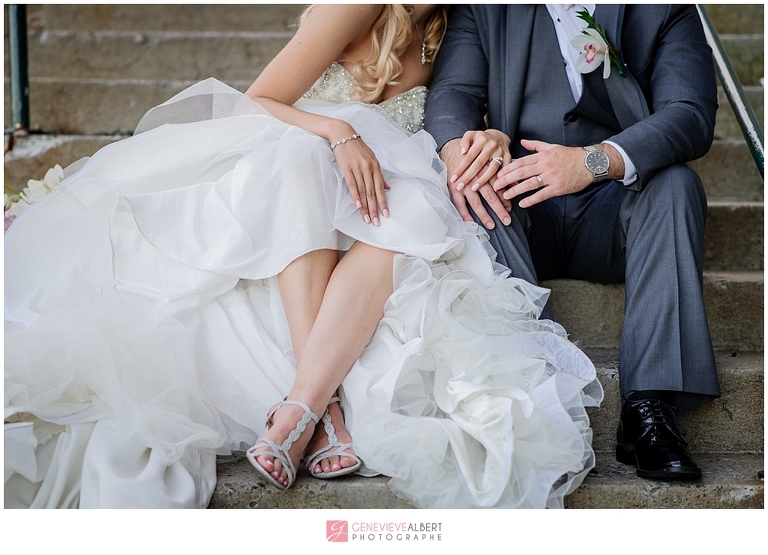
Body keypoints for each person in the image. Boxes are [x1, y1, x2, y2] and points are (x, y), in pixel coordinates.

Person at [4, 4, 601, 509]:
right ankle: (325, 407)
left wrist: (492, 133)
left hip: (385, 181)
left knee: (413, 209)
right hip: (304, 153)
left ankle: (303, 407)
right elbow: (253, 102)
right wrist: (337, 135)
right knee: (300, 164)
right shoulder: (357, 7)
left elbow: (462, 112)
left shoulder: (460, 23)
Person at [424, 4, 720, 480]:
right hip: (519, 197)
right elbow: (454, 91)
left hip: (616, 204)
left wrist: (595, 160)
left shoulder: (665, 8)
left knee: (678, 185)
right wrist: (461, 150)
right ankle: (530, 393)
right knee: (477, 184)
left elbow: (689, 113)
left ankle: (648, 409)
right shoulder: (483, 7)